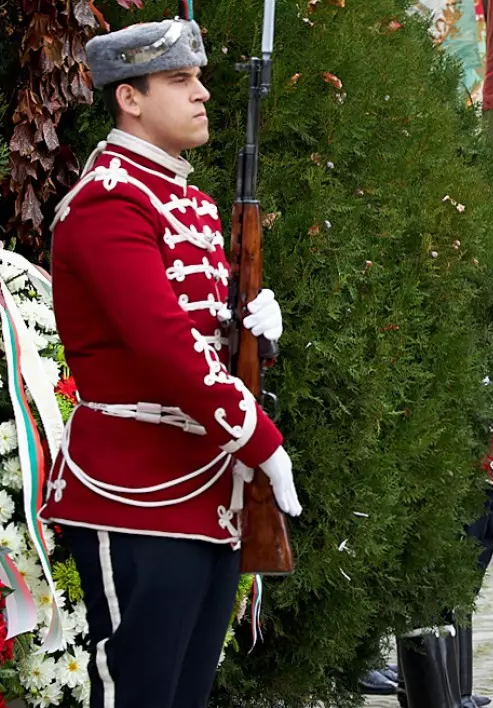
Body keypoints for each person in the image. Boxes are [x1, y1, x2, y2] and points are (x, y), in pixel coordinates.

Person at [38, 18, 303, 708]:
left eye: (199, 77)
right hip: (133, 492)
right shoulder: (108, 203)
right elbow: (162, 346)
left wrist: (256, 333)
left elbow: (204, 340)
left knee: (186, 695)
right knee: (139, 693)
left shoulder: (187, 200)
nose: (203, 94)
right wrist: (260, 439)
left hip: (204, 490)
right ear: (130, 98)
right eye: (181, 80)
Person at [395, 362, 493, 708]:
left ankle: (453, 691)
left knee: (468, 571)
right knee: (437, 579)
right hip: (439, 456)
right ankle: (429, 692)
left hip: (486, 462)